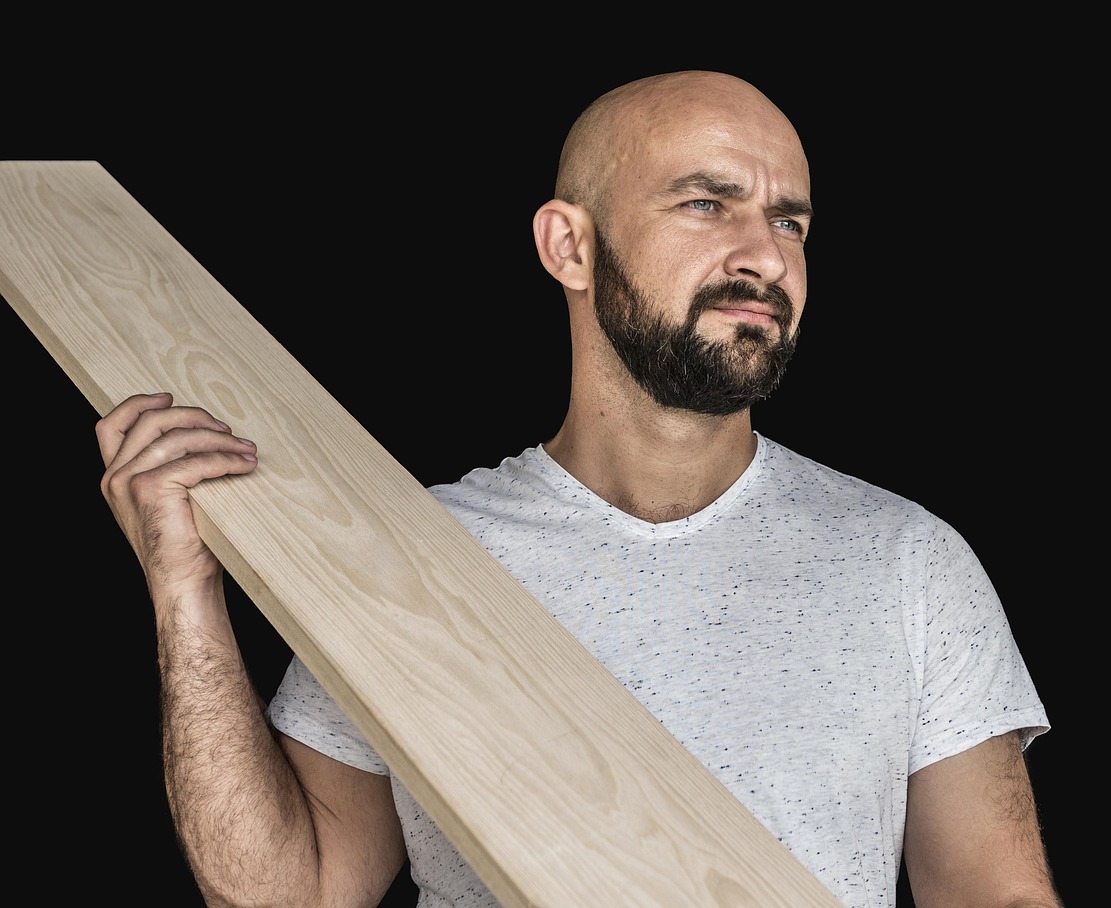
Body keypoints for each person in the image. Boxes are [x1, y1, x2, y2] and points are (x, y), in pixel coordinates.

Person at [95, 70, 1062, 907]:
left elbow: (996, 893)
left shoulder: (905, 563)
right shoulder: (413, 560)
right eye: (706, 204)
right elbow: (289, 893)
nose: (766, 257)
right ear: (569, 246)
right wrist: (185, 597)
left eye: (789, 221)